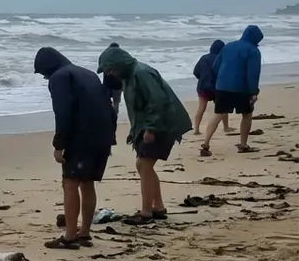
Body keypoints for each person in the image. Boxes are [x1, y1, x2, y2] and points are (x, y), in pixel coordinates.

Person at [97, 45, 192, 226]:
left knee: (143, 164)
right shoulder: (129, 75)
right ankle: (158, 207)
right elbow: (139, 107)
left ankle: (146, 212)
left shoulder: (141, 73)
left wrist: (151, 129)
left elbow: (158, 101)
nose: (110, 73)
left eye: (110, 69)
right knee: (145, 166)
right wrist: (136, 133)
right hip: (150, 124)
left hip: (163, 124)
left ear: (120, 63)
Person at [34, 48, 116, 249]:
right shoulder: (87, 73)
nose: (45, 77)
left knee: (70, 183)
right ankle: (84, 233)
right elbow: (109, 104)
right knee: (87, 183)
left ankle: (70, 236)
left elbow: (63, 111)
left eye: (44, 73)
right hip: (103, 135)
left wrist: (59, 144)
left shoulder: (59, 77)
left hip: (82, 137)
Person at [201, 25, 264, 155]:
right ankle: (243, 144)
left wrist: (221, 80)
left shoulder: (228, 46)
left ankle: (206, 143)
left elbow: (216, 66)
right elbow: (252, 73)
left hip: (222, 86)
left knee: (218, 113)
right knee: (247, 114)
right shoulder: (253, 51)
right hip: (242, 88)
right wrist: (253, 92)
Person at [192, 39, 231, 135]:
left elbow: (195, 72)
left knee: (201, 108)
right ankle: (226, 127)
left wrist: (202, 79)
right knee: (223, 108)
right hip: (217, 87)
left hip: (203, 87)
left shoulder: (203, 58)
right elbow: (224, 73)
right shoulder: (221, 59)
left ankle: (196, 129)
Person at [101, 43, 123, 121]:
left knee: (106, 102)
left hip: (107, 84)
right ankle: (114, 118)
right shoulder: (121, 58)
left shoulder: (105, 57)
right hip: (118, 85)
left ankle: (107, 117)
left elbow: (100, 69)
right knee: (116, 103)